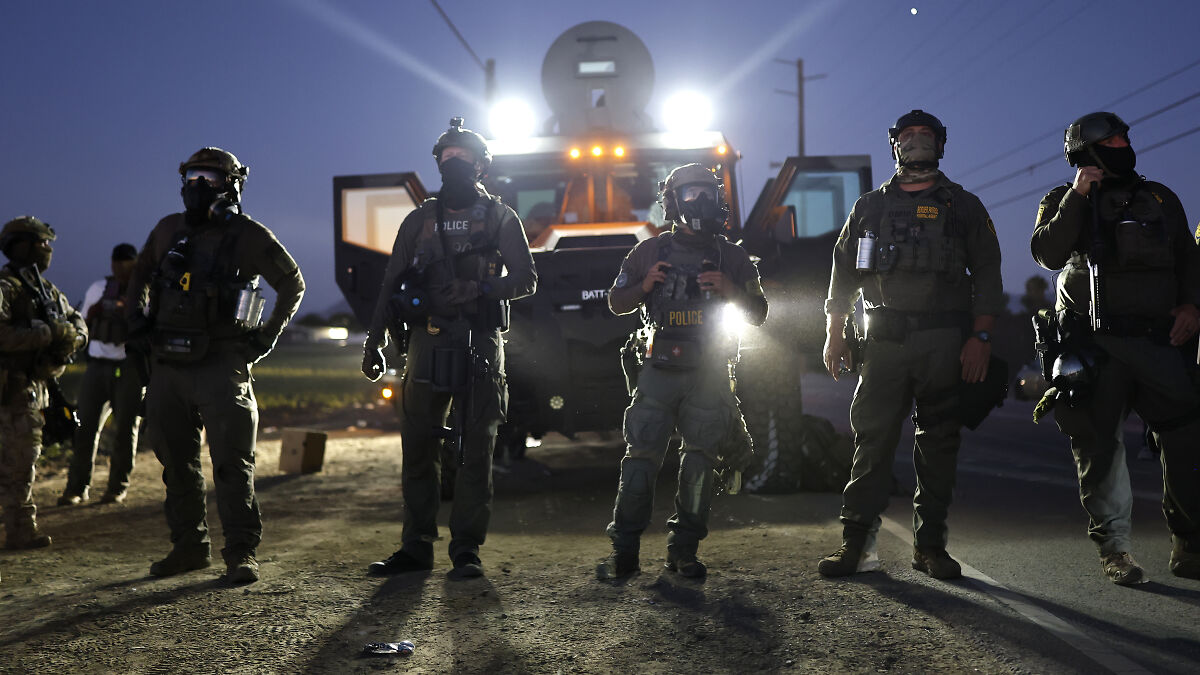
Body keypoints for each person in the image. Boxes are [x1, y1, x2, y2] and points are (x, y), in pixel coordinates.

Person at [820, 110, 1004, 580]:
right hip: (883, 341)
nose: (917, 141)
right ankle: (857, 547)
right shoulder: (869, 208)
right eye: (908, 135)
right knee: (871, 442)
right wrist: (835, 332)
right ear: (895, 146)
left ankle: (930, 548)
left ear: (941, 145)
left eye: (926, 135)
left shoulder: (963, 206)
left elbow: (987, 274)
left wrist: (981, 337)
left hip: (945, 340)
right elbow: (844, 273)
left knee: (939, 443)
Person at [362, 118, 536, 580]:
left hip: (480, 340)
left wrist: (479, 289)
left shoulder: (500, 217)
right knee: (417, 445)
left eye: (462, 156)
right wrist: (373, 340)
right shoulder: (418, 220)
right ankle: (416, 546)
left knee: (476, 449)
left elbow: (526, 279)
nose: (452, 162)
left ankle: (466, 550)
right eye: (446, 156)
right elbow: (390, 283)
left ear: (481, 165)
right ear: (437, 162)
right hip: (426, 339)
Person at [1030, 112, 1200, 585]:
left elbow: (1189, 257)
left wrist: (1192, 306)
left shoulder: (1160, 197)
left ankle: (1189, 545)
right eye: (1111, 140)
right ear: (1083, 152)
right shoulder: (1062, 199)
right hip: (1097, 346)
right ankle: (1116, 552)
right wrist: (1079, 195)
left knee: (1187, 437)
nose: (1122, 145)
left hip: (1161, 340)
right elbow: (1047, 252)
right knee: (1099, 448)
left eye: (1125, 137)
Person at [126, 148, 304, 583]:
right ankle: (189, 548)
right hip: (167, 364)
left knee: (231, 463)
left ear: (232, 185)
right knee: (176, 462)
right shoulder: (169, 229)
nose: (198, 186)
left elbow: (291, 283)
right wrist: (137, 323)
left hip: (220, 363)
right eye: (192, 176)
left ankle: (241, 552)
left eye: (210, 177)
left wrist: (263, 339)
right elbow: (141, 273)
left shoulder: (248, 235)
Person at [596, 163, 767, 580]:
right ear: (672, 201)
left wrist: (729, 289)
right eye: (690, 194)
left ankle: (683, 551)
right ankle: (625, 552)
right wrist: (645, 286)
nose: (700, 201)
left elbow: (759, 314)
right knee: (640, 457)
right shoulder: (648, 252)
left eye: (706, 193)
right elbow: (616, 302)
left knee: (700, 462)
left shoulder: (733, 255)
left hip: (709, 367)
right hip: (659, 367)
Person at [0, 216, 87, 550]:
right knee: (16, 462)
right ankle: (19, 528)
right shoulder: (6, 287)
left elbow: (78, 324)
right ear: (22, 245)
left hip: (35, 389)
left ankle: (21, 529)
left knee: (24, 460)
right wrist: (47, 334)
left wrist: (71, 338)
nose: (48, 250)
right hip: (10, 388)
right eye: (42, 243)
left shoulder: (45, 290)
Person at [58, 243, 144, 506]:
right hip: (97, 366)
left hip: (129, 367)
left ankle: (117, 487)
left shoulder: (144, 292)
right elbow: (81, 325)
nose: (119, 268)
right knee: (84, 428)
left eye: (125, 263)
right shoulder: (98, 289)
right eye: (116, 263)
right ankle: (76, 487)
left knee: (125, 431)